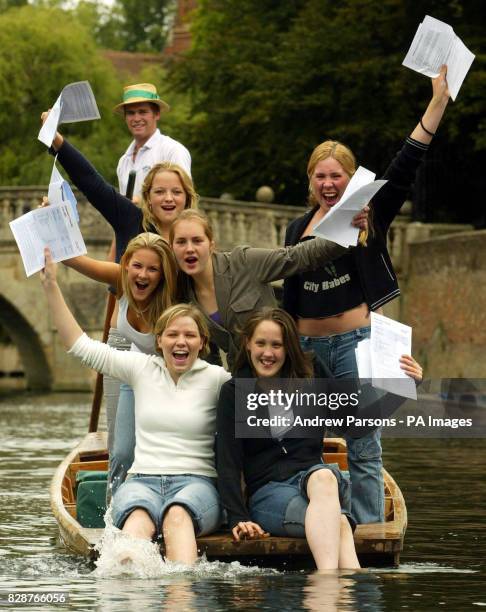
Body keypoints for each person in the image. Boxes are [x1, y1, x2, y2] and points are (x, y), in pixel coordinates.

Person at [282, 66, 450, 524]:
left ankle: (368, 533)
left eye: (337, 175)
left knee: (363, 444)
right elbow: (287, 297)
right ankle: (312, 523)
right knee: (303, 444)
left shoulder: (369, 214)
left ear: (351, 178)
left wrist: (437, 101)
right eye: (320, 176)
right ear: (310, 180)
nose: (328, 183)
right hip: (308, 351)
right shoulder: (297, 229)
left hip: (355, 346)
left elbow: (407, 161)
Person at [40, 249, 231, 565]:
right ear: (159, 341)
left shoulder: (219, 380)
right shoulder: (141, 369)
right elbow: (79, 345)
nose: (180, 342)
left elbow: (268, 397)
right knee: (135, 524)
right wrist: (51, 286)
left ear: (202, 342)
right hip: (142, 481)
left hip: (196, 485)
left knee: (176, 517)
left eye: (189, 335)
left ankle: (181, 595)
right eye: (172, 334)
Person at [216, 308, 423, 570]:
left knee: (324, 476)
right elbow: (227, 461)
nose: (267, 353)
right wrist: (238, 517)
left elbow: (356, 426)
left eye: (277, 345)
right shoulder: (234, 392)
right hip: (270, 494)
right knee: (337, 522)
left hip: (317, 484)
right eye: (260, 343)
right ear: (248, 344)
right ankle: (340, 588)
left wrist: (405, 389)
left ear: (289, 348)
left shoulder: (311, 374)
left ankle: (326, 584)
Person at [169, 209, 367, 367]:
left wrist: (346, 231)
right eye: (181, 242)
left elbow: (298, 257)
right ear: (172, 248)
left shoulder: (243, 262)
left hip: (284, 372)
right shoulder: (183, 298)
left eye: (197, 240)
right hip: (243, 381)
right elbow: (207, 357)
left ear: (211, 244)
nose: (189, 248)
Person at [63, 232, 178, 496]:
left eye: (153, 269)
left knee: (161, 448)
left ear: (163, 274)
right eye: (137, 266)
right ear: (126, 265)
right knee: (122, 451)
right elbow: (72, 260)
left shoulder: (174, 294)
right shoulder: (120, 279)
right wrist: (52, 217)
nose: (143, 275)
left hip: (171, 380)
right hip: (133, 376)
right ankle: (114, 512)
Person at [114, 82, 191, 199]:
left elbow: (184, 200)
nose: (136, 118)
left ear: (157, 114)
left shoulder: (173, 151)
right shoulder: (123, 161)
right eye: (131, 113)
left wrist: (142, 205)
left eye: (142, 112)